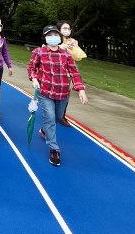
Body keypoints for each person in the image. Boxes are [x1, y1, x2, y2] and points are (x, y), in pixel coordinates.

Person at [27, 25, 88, 167]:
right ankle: (54, 149)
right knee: (49, 117)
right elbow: (31, 68)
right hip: (45, 92)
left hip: (62, 93)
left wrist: (80, 89)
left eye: (55, 34)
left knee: (58, 116)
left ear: (59, 37)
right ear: (45, 37)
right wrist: (34, 79)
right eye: (50, 34)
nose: (53, 37)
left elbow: (74, 72)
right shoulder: (39, 52)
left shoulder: (66, 54)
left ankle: (44, 130)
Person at [57, 20, 87, 127]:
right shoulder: (54, 40)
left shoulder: (72, 41)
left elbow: (78, 57)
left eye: (69, 28)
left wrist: (74, 48)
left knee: (66, 94)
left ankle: (62, 116)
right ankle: (52, 113)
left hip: (68, 71)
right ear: (59, 30)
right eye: (64, 28)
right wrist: (62, 47)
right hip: (55, 72)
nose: (67, 30)